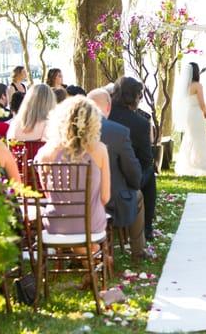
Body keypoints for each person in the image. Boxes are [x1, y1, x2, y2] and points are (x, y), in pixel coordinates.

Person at [35, 96, 110, 281]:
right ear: (93, 122)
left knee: (78, 225)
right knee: (87, 228)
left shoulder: (46, 153)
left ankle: (94, 264)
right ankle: (95, 264)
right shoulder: (99, 150)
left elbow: (47, 193)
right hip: (90, 222)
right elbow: (105, 197)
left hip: (56, 223)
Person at [88, 88, 152, 261]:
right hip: (110, 200)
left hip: (78, 202)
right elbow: (132, 170)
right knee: (137, 195)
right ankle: (138, 251)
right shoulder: (118, 132)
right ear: (108, 107)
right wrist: (133, 184)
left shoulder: (70, 132)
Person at [109, 77, 157, 241]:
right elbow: (145, 159)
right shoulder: (141, 123)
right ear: (135, 97)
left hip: (100, 175)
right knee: (150, 172)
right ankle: (147, 227)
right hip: (124, 181)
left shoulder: (103, 116)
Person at [174, 62, 206, 176]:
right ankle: (201, 164)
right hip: (197, 113)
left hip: (189, 113)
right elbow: (202, 103)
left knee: (190, 138)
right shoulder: (197, 85)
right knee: (200, 138)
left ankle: (189, 163)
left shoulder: (185, 86)